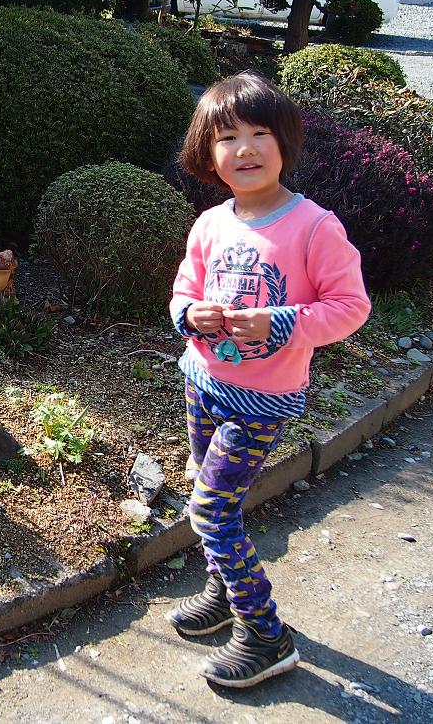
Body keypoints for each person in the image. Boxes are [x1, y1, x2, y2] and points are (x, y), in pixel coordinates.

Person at [166, 72, 371, 688]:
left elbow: (350, 307)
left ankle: (264, 634)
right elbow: (184, 288)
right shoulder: (210, 224)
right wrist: (189, 315)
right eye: (228, 137)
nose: (245, 148)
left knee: (210, 510)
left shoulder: (313, 226)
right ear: (209, 154)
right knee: (208, 491)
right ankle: (221, 591)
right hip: (203, 382)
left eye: (260, 133)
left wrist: (282, 322)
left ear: (285, 144)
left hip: (261, 400)